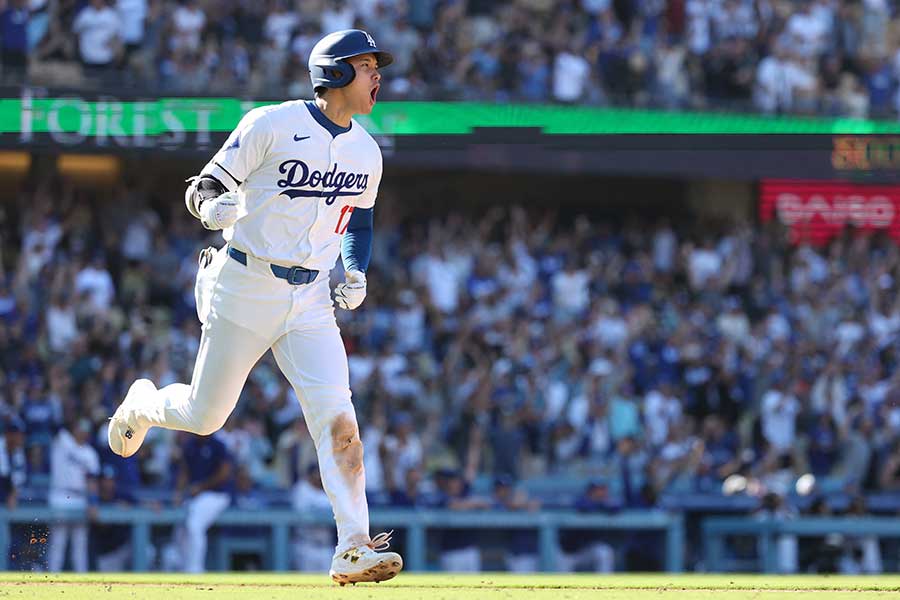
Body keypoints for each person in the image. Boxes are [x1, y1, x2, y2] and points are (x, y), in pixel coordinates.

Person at [106, 28, 402, 585]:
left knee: (341, 424)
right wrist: (211, 209)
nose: (376, 76)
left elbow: (358, 221)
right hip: (246, 282)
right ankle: (144, 405)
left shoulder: (366, 149)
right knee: (205, 416)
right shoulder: (270, 123)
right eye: (366, 66)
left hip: (311, 298)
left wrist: (356, 267)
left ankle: (353, 546)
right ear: (334, 74)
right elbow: (205, 185)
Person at [47, 418, 100, 572]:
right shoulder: (63, 441)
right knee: (58, 543)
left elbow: (92, 481)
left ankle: (81, 581)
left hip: (80, 499)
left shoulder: (90, 453)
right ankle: (50, 579)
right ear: (74, 428)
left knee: (80, 545)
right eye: (79, 428)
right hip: (59, 495)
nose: (82, 432)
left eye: (85, 430)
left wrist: (93, 503)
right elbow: (54, 422)